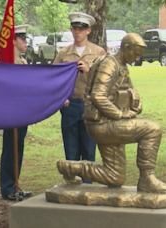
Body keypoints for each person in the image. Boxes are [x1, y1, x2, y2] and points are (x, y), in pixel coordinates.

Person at [56, 33, 166, 194]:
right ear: (126, 48)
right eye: (136, 54)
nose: (137, 59)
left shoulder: (121, 66)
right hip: (102, 124)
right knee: (152, 129)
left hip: (108, 123)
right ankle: (147, 178)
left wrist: (135, 105)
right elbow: (98, 96)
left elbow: (131, 91)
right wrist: (120, 115)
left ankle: (70, 167)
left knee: (115, 176)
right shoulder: (110, 65)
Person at [53, 12, 106, 184]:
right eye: (75, 29)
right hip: (70, 104)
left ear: (88, 31)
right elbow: (55, 78)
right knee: (71, 147)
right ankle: (72, 182)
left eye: (81, 29)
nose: (77, 32)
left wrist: (90, 69)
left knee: (88, 148)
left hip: (90, 105)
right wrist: (61, 98)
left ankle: (88, 184)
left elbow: (107, 78)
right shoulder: (63, 53)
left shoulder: (98, 52)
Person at [0, 24, 32, 200]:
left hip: (22, 111)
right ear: (13, 40)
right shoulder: (8, 62)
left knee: (18, 148)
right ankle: (7, 187)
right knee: (10, 149)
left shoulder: (22, 61)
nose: (25, 42)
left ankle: (15, 184)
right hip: (11, 112)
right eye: (22, 38)